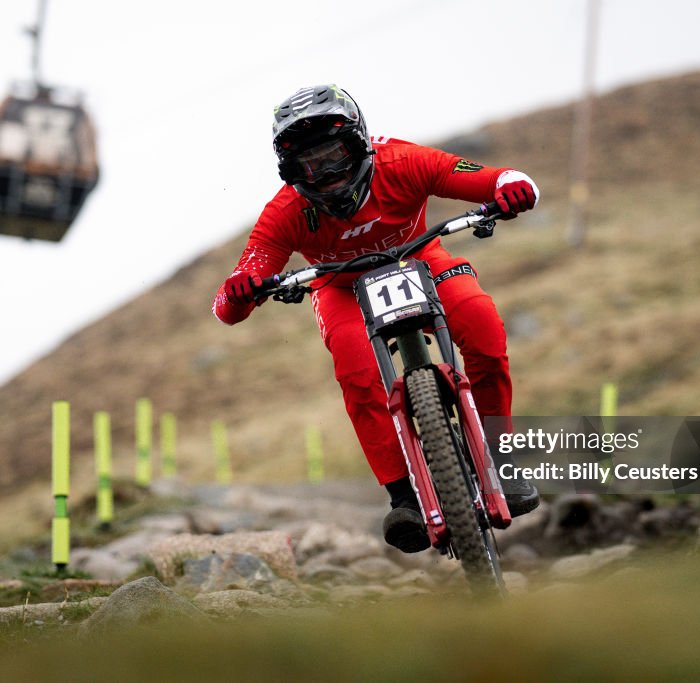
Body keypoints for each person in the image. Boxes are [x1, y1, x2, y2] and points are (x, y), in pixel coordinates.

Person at [212, 85, 540, 553]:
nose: (325, 172)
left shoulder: (404, 162)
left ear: (359, 142)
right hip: (341, 288)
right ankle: (404, 497)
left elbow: (494, 177)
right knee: (357, 370)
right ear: (291, 171)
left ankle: (502, 464)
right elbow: (231, 301)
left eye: (334, 155)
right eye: (309, 164)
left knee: (482, 325)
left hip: (422, 259)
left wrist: (513, 187)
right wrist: (238, 290)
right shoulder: (284, 212)